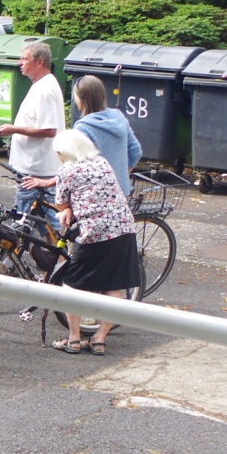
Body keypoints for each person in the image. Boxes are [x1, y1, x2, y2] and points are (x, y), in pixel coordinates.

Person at [49, 129, 140, 355]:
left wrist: (67, 209)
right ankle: (99, 339)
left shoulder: (66, 170)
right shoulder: (102, 163)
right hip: (123, 228)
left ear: (64, 152)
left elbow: (61, 203)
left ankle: (74, 339)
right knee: (114, 285)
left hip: (94, 233)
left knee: (72, 285)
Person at [0, 41, 65, 225]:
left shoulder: (44, 90)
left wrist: (13, 129)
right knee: (45, 220)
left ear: (39, 62)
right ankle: (59, 244)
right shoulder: (42, 85)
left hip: (35, 168)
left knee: (21, 220)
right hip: (37, 166)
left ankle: (61, 241)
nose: (20, 63)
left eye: (25, 59)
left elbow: (49, 130)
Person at [69, 75, 142, 195]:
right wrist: (122, 174)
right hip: (121, 192)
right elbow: (136, 151)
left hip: (95, 196)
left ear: (81, 100)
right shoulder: (118, 117)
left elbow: (75, 168)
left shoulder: (83, 127)